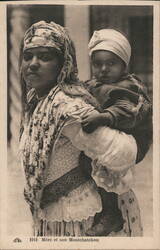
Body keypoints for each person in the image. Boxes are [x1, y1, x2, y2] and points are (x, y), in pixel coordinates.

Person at [19, 21, 140, 237]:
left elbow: (123, 153)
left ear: (62, 64)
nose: (33, 64)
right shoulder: (37, 99)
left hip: (81, 216)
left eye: (45, 57)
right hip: (51, 214)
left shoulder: (67, 106)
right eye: (28, 56)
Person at [79, 29, 152, 236]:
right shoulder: (95, 83)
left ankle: (112, 214)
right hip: (112, 136)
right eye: (97, 63)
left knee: (104, 166)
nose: (103, 69)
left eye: (111, 63)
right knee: (86, 164)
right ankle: (98, 205)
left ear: (124, 65)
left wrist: (104, 117)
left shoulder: (128, 86)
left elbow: (127, 111)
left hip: (132, 138)